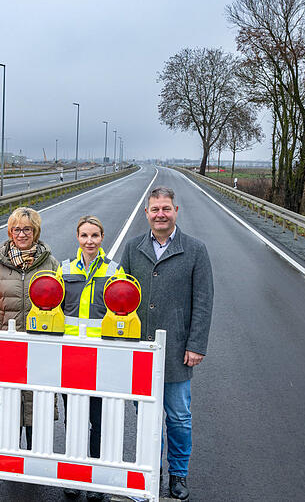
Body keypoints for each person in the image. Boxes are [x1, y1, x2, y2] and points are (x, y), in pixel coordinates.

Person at [118, 186, 213, 501]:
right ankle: (151, 473)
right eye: (155, 209)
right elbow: (119, 296)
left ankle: (178, 474)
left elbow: (203, 301)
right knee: (147, 418)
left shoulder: (195, 250)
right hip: (139, 351)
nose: (161, 214)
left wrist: (196, 344)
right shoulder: (132, 248)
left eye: (166, 209)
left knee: (179, 417)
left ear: (175, 211)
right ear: (146, 213)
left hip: (176, 351)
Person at [58, 215, 124, 501]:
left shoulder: (114, 270)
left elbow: (122, 310)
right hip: (71, 356)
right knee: (74, 419)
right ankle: (74, 475)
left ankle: (96, 479)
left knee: (99, 420)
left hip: (101, 358)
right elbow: (55, 308)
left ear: (102, 237)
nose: (89, 241)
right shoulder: (64, 269)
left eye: (94, 235)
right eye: (84, 235)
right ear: (78, 238)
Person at [0, 207, 59, 449]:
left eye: (27, 229)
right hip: (7, 346)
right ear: (10, 232)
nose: (21, 234)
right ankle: (10, 454)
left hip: (41, 347)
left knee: (37, 402)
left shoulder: (50, 263)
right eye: (16, 229)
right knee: (9, 403)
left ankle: (35, 455)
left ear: (35, 232)